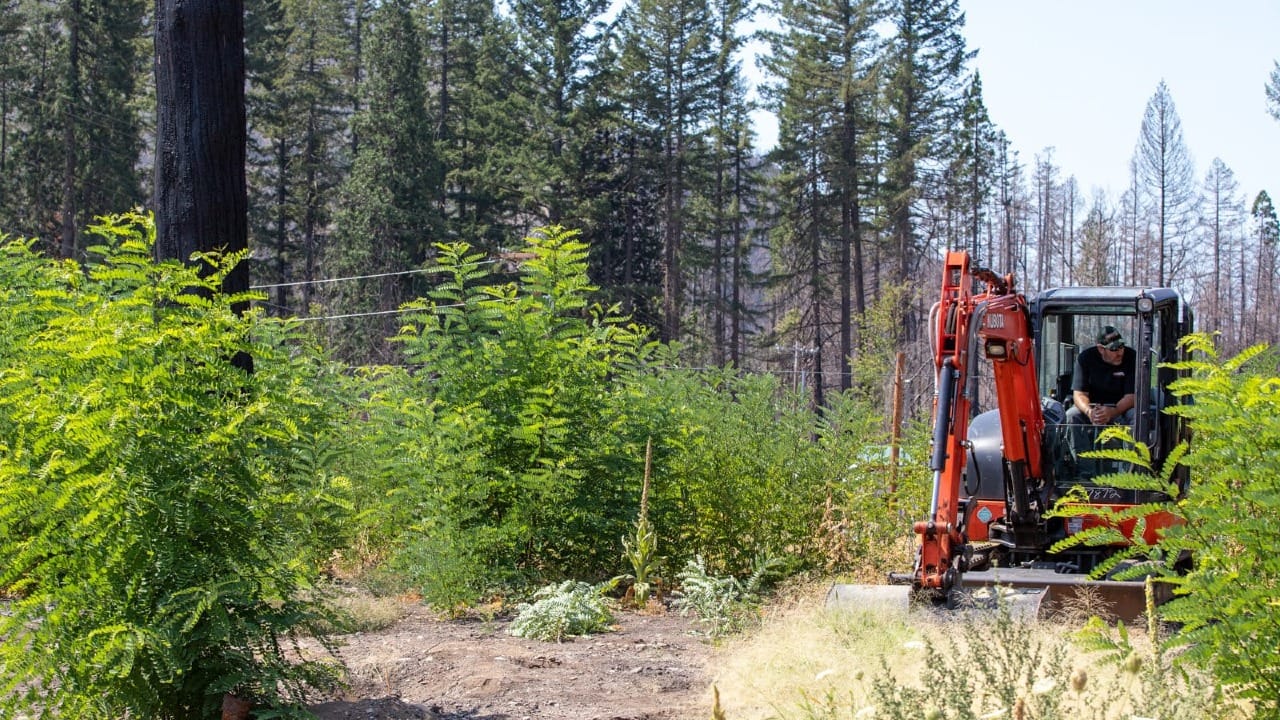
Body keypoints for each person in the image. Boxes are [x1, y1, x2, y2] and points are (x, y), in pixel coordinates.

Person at [1067, 325, 1136, 426]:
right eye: (1114, 349)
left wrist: (1112, 412)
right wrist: (1089, 412)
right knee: (1072, 415)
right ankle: (1078, 442)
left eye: (1121, 347)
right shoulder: (1085, 359)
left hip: (1122, 409)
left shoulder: (1132, 357)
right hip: (1093, 408)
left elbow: (1132, 396)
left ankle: (1133, 442)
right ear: (1101, 349)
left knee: (1136, 415)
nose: (1120, 353)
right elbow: (1079, 394)